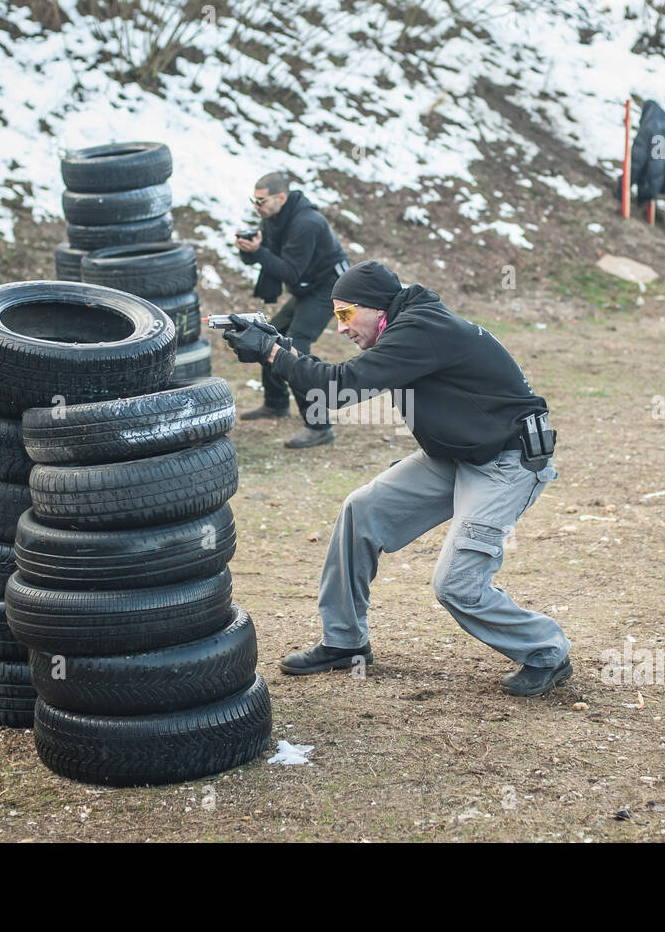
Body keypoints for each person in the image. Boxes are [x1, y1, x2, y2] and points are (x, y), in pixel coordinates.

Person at [221, 261, 572, 696]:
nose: (341, 327)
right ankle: (345, 642)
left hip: (508, 462)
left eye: (346, 314)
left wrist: (274, 354)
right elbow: (339, 377)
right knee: (360, 512)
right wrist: (277, 345)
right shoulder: (408, 325)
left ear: (375, 307)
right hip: (457, 454)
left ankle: (545, 650)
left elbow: (338, 388)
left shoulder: (420, 330)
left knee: (456, 585)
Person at [234, 173, 349, 448]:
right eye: (254, 199)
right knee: (267, 335)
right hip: (306, 286)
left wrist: (259, 253)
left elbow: (290, 272)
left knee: (296, 346)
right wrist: (249, 250)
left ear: (280, 198)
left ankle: (319, 426)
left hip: (329, 287)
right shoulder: (273, 218)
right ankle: (276, 404)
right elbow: (271, 259)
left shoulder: (307, 223)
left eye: (260, 200)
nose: (256, 205)